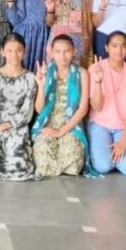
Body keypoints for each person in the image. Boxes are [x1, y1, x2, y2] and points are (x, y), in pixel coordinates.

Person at [0, 33, 38, 181]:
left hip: (17, 125)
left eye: (18, 50)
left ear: (25, 51)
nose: (14, 55)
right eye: (9, 50)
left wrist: (1, 127)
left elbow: (27, 113)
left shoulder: (30, 78)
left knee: (19, 167)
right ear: (2, 52)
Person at [32, 35, 93, 177]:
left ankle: (58, 165)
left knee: (74, 165)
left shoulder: (82, 73)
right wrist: (41, 86)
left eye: (67, 51)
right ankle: (56, 166)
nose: (62, 56)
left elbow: (83, 109)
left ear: (74, 51)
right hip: (48, 122)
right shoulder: (45, 71)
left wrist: (61, 131)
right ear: (51, 52)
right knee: (43, 160)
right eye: (58, 51)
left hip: (71, 124)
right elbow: (39, 110)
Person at [87, 33, 126, 176]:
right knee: (103, 167)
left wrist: (123, 140)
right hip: (100, 124)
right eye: (114, 46)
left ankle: (117, 155)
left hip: (123, 126)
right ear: (106, 47)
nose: (119, 50)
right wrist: (98, 81)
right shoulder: (95, 68)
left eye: (123, 46)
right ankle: (110, 156)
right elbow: (97, 107)